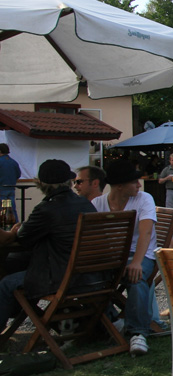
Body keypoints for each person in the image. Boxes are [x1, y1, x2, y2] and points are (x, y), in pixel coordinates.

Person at [0, 160, 95, 340]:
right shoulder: (84, 204)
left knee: (6, 283)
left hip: (61, 277)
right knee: (14, 262)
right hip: (89, 274)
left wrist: (15, 231)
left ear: (41, 183)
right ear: (68, 182)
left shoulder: (47, 208)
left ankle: (13, 315)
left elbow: (24, 237)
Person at [91, 159, 158, 357]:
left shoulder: (144, 199)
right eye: (134, 181)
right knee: (87, 279)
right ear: (119, 186)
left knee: (136, 277)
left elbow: (146, 233)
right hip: (111, 257)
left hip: (141, 253)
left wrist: (136, 261)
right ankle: (111, 320)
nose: (139, 185)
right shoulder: (97, 204)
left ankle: (138, 332)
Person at [0, 143, 21, 222]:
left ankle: (3, 226)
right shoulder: (13, 162)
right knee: (11, 209)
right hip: (11, 189)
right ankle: (15, 225)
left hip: (1, 189)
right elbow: (18, 174)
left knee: (2, 209)